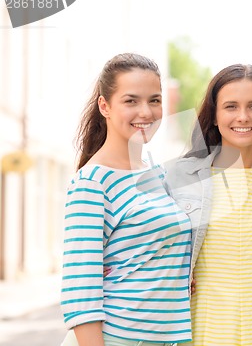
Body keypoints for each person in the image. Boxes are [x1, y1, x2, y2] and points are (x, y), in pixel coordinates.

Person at [60, 53, 192, 346]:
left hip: (170, 338)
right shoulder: (92, 182)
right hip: (120, 338)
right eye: (131, 101)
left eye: (155, 100)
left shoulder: (157, 175)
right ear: (104, 106)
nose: (145, 112)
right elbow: (80, 292)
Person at [163, 64, 252, 345]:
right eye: (231, 106)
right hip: (202, 333)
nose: (243, 116)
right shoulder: (177, 178)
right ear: (214, 114)